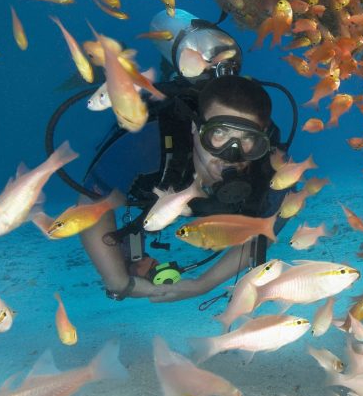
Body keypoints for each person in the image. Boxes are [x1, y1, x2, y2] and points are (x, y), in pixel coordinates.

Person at [80, 74, 285, 303]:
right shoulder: (146, 143)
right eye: (218, 133)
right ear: (195, 128)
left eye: (247, 139)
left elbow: (266, 230)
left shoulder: (274, 167)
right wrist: (118, 281)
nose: (230, 154)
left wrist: (202, 285)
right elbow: (90, 205)